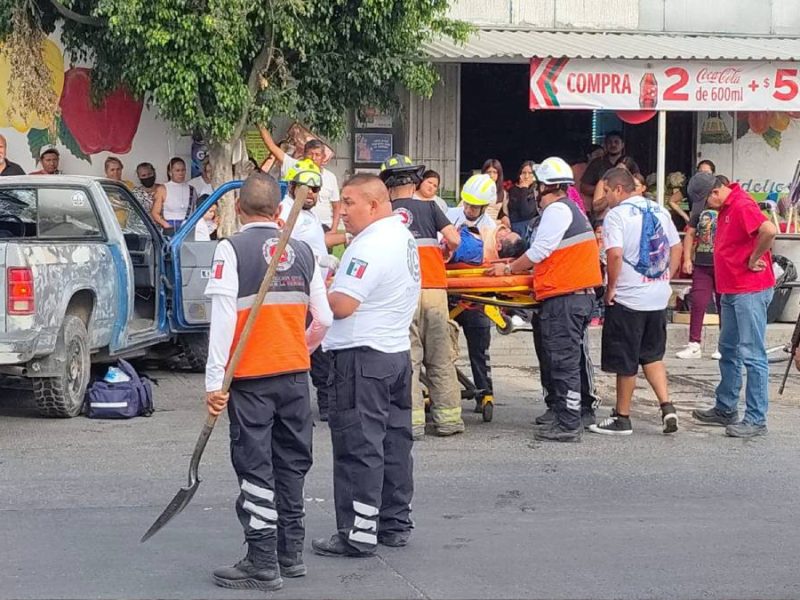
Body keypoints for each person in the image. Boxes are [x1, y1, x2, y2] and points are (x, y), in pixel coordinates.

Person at [204, 172, 332, 591]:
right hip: (295, 377)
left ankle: (262, 562)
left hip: (251, 378)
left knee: (255, 467)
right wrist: (300, 349)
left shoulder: (231, 248)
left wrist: (214, 385)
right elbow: (324, 319)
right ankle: (289, 553)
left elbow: (222, 322)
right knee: (291, 463)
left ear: (237, 210)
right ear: (279, 211)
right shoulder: (302, 251)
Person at [312, 174, 421, 557]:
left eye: (348, 202)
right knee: (393, 441)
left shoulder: (371, 244)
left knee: (358, 445)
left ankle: (357, 532)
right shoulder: (401, 237)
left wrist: (317, 290)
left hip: (361, 357)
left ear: (374, 205)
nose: (341, 213)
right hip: (392, 352)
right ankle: (393, 522)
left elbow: (342, 306)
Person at [489, 157, 602, 442]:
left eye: (538, 185)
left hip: (567, 296)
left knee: (564, 361)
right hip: (566, 294)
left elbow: (540, 251)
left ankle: (568, 423)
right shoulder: (566, 210)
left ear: (544, 186)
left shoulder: (557, 211)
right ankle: (563, 413)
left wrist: (509, 268)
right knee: (559, 359)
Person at [588, 169, 681, 436]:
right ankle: (667, 406)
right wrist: (667, 277)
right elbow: (676, 247)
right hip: (657, 296)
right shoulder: (659, 210)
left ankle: (623, 416)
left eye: (606, 191)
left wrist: (611, 288)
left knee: (626, 360)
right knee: (652, 355)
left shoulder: (616, 216)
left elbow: (614, 255)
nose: (604, 197)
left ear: (619, 189)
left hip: (628, 297)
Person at [689, 172, 778, 438]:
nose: (706, 208)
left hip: (749, 289)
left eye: (706, 202)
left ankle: (755, 418)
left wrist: (753, 258)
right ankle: (726, 406)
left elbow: (769, 230)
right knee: (728, 349)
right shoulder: (729, 206)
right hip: (731, 288)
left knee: (752, 353)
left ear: (715, 192)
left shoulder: (741, 204)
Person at [381, 154, 462, 439]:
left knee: (409, 358)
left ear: (388, 185)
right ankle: (448, 420)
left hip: (401, 294)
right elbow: (454, 239)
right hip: (433, 290)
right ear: (415, 180)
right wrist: (444, 252)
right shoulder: (431, 208)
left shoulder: (384, 212)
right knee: (440, 356)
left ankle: (413, 423)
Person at [447, 174, 526, 413]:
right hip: (448, 291)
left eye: (475, 206)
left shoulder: (492, 230)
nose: (470, 209)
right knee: (440, 346)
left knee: (479, 345)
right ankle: (439, 390)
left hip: (475, 296)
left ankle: (485, 391)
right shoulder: (449, 218)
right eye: (468, 204)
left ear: (485, 206)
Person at [279, 158, 344, 422]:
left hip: (316, 285)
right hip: (296, 288)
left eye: (315, 189)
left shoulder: (308, 216)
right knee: (314, 347)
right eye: (305, 187)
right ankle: (308, 402)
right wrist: (320, 260)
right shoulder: (284, 213)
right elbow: (285, 250)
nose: (311, 193)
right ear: (292, 187)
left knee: (321, 343)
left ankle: (325, 402)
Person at [676, 175, 724, 360]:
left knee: (723, 305)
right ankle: (693, 343)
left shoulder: (727, 210)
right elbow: (689, 235)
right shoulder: (700, 211)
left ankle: (723, 344)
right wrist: (687, 258)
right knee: (698, 303)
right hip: (702, 263)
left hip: (721, 264)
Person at [258, 125, 341, 231]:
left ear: (323, 157)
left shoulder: (331, 177)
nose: (313, 158)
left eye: (317, 155)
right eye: (310, 154)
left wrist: (334, 230)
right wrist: (260, 122)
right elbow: (272, 147)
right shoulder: (294, 166)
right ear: (304, 154)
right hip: (298, 226)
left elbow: (336, 206)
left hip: (324, 226)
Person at [581, 131, 627, 218]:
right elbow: (584, 187)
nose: (613, 145)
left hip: (624, 211)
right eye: (609, 142)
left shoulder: (629, 162)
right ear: (605, 145)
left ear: (623, 145)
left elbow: (638, 184)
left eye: (616, 142)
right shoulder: (597, 163)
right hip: (601, 213)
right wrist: (602, 189)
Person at [151, 157, 196, 232]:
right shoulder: (162, 189)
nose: (181, 173)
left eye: (183, 170)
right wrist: (166, 225)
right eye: (177, 170)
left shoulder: (192, 189)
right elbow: (155, 213)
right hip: (170, 226)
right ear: (170, 172)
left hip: (188, 227)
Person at [507, 161, 537, 237]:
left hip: (529, 228)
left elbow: (526, 213)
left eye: (530, 173)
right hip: (515, 228)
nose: (526, 176)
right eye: (524, 173)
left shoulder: (537, 191)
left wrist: (524, 188)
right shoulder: (513, 190)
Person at [482, 158, 508, 224]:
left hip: (494, 226)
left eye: (495, 172)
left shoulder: (503, 193)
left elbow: (504, 212)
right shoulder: (477, 189)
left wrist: (504, 217)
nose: (491, 175)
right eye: (488, 172)